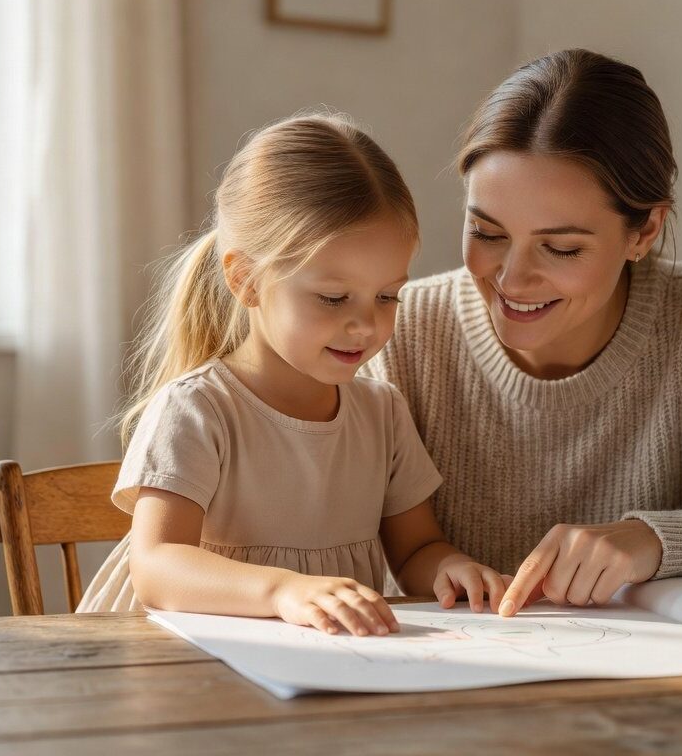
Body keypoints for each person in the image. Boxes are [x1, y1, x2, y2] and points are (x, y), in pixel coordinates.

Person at [360, 49, 682, 617]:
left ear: (645, 232)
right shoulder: (404, 329)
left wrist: (656, 540)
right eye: (486, 233)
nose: (511, 278)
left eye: (561, 248)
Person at [77, 114, 507, 635]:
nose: (366, 324)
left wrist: (449, 568)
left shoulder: (383, 412)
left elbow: (416, 548)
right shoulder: (197, 409)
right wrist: (284, 590)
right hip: (192, 662)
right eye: (333, 297)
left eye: (388, 295)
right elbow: (157, 565)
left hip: (328, 666)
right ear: (246, 280)